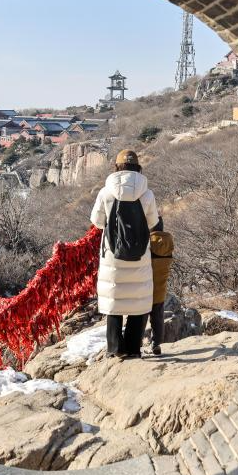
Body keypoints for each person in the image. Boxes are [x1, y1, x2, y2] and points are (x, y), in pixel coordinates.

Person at [90, 149, 159, 358]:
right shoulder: (147, 193)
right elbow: (153, 222)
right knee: (138, 301)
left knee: (114, 300)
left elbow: (97, 221)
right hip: (140, 255)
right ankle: (133, 348)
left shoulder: (106, 192)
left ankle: (115, 349)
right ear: (138, 167)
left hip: (113, 254)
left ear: (117, 167)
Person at [148, 215, 174, 356]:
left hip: (145, 286)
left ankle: (136, 345)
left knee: (140, 317)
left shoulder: (147, 242)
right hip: (160, 287)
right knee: (157, 317)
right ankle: (156, 344)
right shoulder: (168, 241)